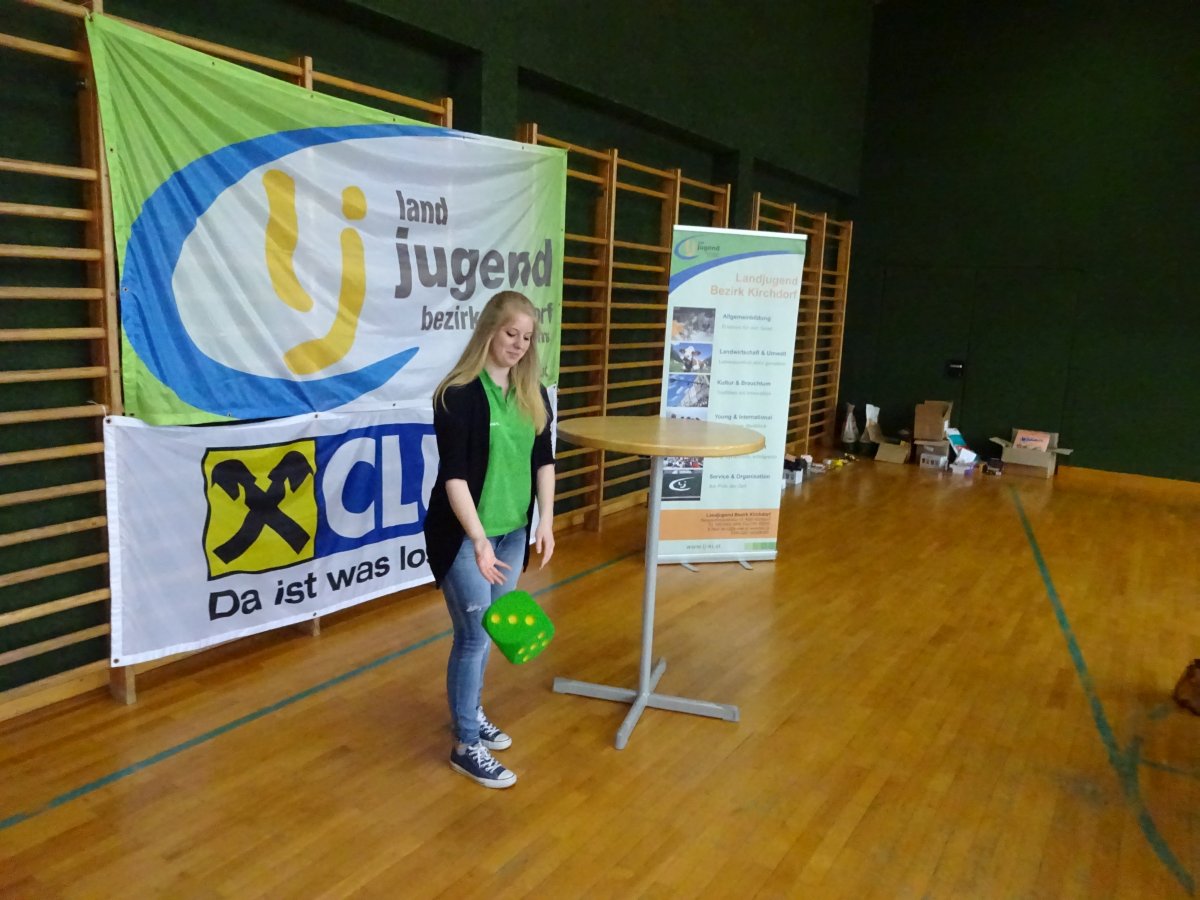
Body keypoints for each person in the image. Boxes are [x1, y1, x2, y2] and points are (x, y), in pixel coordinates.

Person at [423, 290, 556, 789]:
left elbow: (543, 459)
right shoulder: (457, 394)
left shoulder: (531, 392)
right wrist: (478, 541)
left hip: (512, 532)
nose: (519, 344)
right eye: (510, 333)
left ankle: (471, 712)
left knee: (492, 628)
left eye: (527, 337)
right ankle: (465, 745)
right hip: (465, 537)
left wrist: (545, 520)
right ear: (489, 331)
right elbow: (454, 477)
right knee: (473, 636)